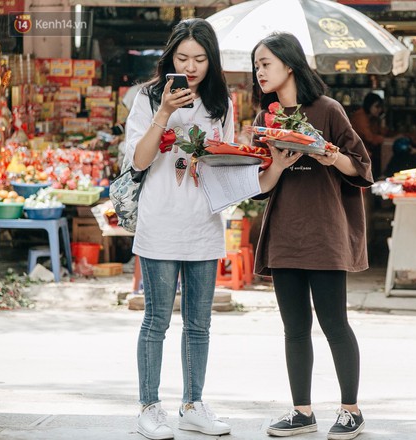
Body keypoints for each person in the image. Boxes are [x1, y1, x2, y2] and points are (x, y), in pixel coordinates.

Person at [252, 32, 373, 439]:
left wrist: (327, 153)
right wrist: (281, 164)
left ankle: (350, 410)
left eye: (265, 63)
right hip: (285, 234)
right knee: (294, 328)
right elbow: (261, 186)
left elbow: (361, 168)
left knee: (335, 323)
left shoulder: (327, 110)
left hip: (324, 232)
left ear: (289, 64)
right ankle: (302, 412)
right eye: (257, 65)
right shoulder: (263, 118)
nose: (260, 71)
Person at [125, 18, 241, 440]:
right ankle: (149, 408)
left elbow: (225, 162)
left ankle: (193, 404)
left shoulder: (220, 103)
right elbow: (139, 161)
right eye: (182, 58)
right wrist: (165, 113)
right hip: (160, 223)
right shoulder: (147, 98)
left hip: (205, 224)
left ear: (212, 61)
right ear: (170, 58)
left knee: (199, 324)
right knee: (156, 320)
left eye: (200, 58)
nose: (191, 67)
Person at [349, 92, 386, 178]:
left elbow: (380, 132)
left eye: (380, 107)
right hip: (355, 149)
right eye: (377, 107)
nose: (379, 110)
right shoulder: (360, 116)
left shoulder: (372, 117)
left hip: (365, 148)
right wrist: (382, 139)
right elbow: (370, 138)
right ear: (369, 105)